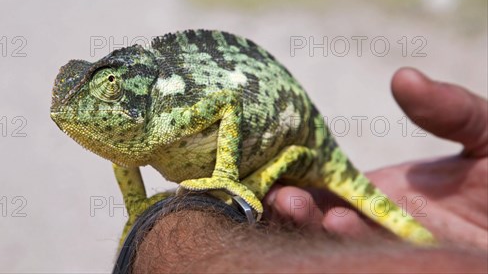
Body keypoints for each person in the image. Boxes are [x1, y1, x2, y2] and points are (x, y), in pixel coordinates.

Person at [131, 68, 488, 273]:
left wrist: (225, 184)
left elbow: (229, 106)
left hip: (304, 147)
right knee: (296, 204)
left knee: (285, 194)